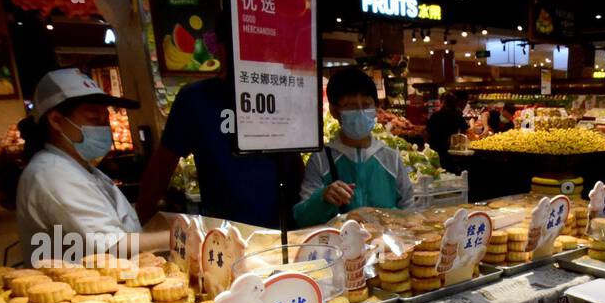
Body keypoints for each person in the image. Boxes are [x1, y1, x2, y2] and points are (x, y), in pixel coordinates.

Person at [15, 68, 166, 260]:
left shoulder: (80, 167)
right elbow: (112, 245)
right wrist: (179, 237)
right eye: (94, 119)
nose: (104, 128)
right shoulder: (52, 174)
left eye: (106, 119)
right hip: (76, 284)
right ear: (56, 121)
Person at [136, 64, 300, 229]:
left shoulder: (283, 95)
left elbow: (295, 164)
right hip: (223, 234)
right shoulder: (196, 98)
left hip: (281, 231)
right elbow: (160, 170)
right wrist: (139, 225)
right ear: (221, 48)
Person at [294, 67, 415, 228]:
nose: (360, 112)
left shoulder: (390, 158)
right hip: (339, 249)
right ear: (334, 110)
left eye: (366, 104)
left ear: (375, 108)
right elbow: (301, 218)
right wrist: (322, 198)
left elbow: (409, 210)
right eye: (350, 105)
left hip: (386, 250)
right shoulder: (321, 160)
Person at [426, 90, 469, 168]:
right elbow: (464, 131)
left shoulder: (435, 116)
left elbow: (428, 134)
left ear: (443, 102)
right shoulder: (457, 115)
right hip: (450, 150)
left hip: (435, 149)